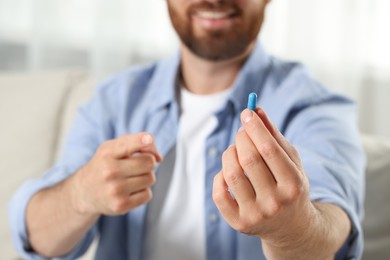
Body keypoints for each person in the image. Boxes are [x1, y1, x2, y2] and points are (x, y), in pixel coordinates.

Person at [9, 0, 365, 259]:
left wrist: (290, 228)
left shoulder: (316, 107)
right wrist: (81, 194)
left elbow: (333, 228)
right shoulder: (115, 101)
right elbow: (37, 239)